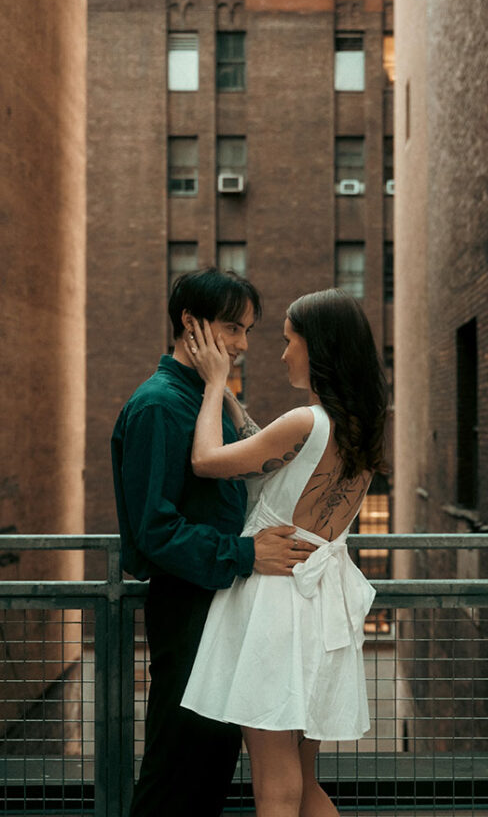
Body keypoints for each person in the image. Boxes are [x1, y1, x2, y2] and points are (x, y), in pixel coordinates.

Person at [111, 267, 317, 817]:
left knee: (207, 774)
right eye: (232, 328)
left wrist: (220, 392)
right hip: (187, 609)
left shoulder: (203, 400)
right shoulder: (158, 406)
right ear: (190, 323)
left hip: (222, 605)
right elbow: (155, 529)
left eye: (247, 330)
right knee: (176, 776)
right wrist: (248, 554)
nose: (243, 344)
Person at [180, 288, 389, 817]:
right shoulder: (359, 428)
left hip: (276, 609)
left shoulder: (304, 421)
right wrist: (233, 402)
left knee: (275, 788)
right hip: (320, 610)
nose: (281, 354)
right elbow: (273, 457)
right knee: (303, 781)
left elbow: (206, 460)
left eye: (289, 340)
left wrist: (215, 384)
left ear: (319, 348)